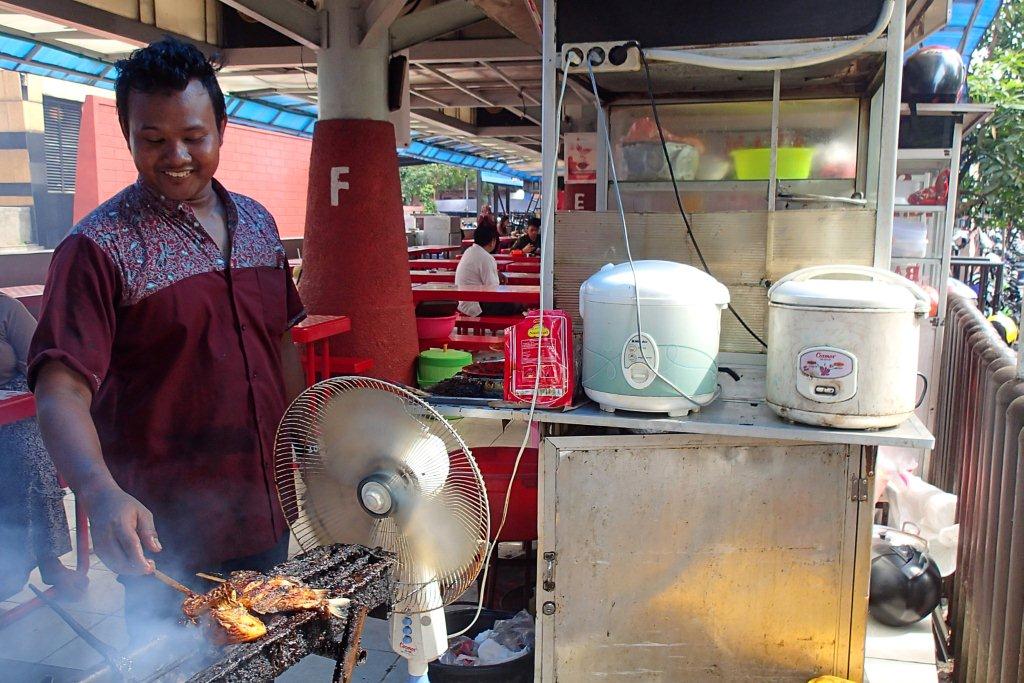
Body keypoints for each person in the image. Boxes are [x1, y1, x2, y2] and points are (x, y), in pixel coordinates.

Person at [28, 38, 306, 640]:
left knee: (263, 656)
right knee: (173, 665)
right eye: (153, 140)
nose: (175, 156)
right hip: (164, 532)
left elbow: (281, 341)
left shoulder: (259, 225)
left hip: (266, 509)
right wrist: (99, 493)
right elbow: (60, 389)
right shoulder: (97, 248)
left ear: (221, 129)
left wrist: (305, 439)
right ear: (129, 136)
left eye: (193, 137)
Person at [0, 293, 84, 600]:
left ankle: (46, 559)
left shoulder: (7, 310)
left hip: (16, 415)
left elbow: (42, 371)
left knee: (28, 455)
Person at [455, 220, 522, 317]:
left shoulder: (469, 251)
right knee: (518, 303)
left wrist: (496, 273)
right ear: (493, 241)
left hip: (463, 303)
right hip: (477, 307)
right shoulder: (486, 257)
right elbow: (493, 290)